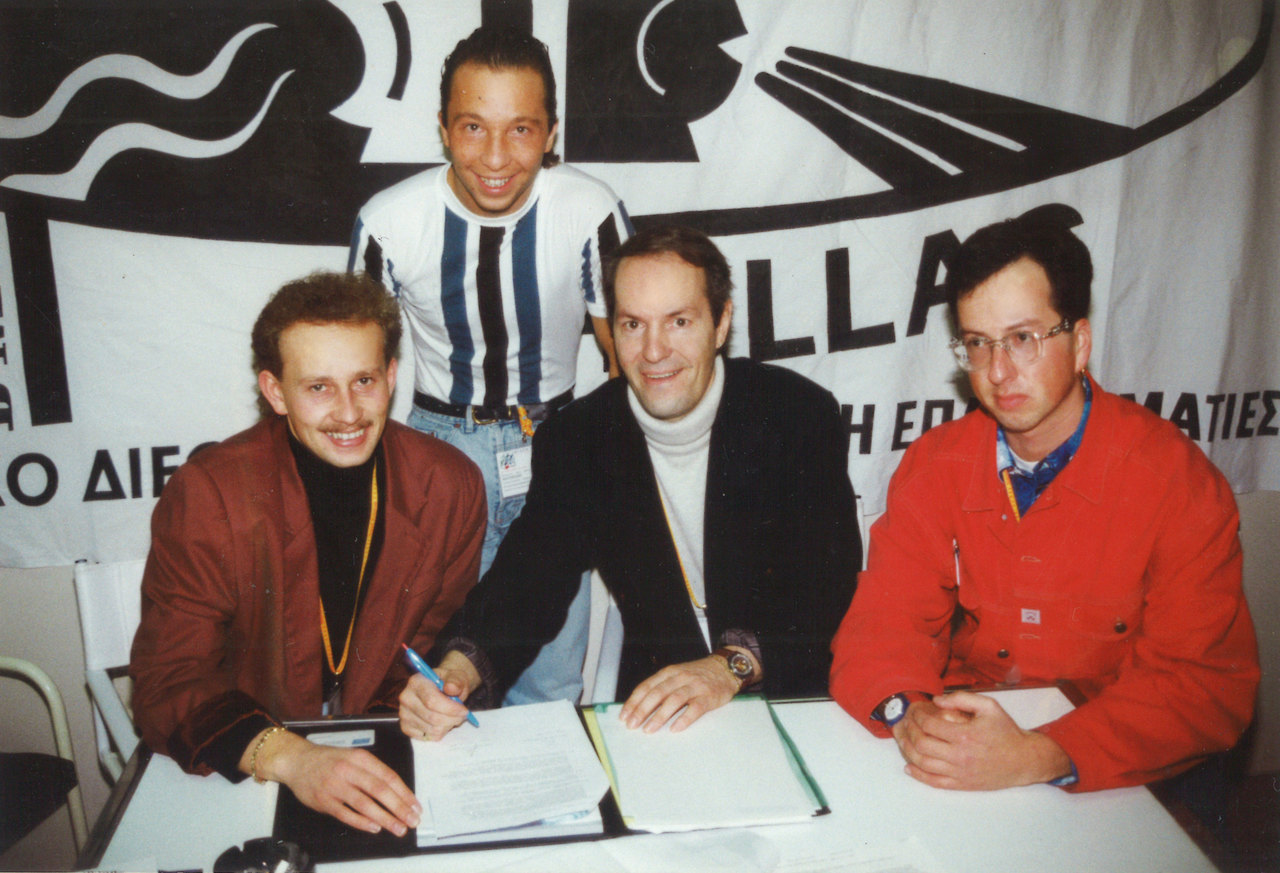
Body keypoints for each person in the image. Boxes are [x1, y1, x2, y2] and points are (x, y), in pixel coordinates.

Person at [829, 212, 1259, 793]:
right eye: (978, 343)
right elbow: (882, 624)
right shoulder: (937, 463)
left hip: (1111, 758)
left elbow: (1202, 686)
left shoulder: (1177, 482)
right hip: (967, 733)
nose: (998, 371)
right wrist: (907, 713)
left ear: (1080, 343)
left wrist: (1043, 755)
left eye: (1022, 339)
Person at [399, 225, 861, 740]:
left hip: (789, 695)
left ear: (721, 322)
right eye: (633, 325)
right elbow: (526, 581)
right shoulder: (580, 437)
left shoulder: (796, 415)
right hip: (660, 708)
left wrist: (729, 666)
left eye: (679, 322)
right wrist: (457, 671)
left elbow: (826, 588)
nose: (654, 351)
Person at [130, 271, 486, 837]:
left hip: (388, 751)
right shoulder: (209, 493)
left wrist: (436, 688)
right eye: (318, 387)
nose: (348, 413)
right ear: (275, 392)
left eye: (364, 380)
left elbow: (437, 638)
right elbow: (169, 680)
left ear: (392, 376)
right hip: (252, 762)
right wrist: (294, 759)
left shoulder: (449, 484)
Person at [349, 25, 632, 706]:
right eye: (474, 127)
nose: (497, 156)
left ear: (551, 132)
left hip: (556, 443)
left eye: (521, 129)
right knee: (437, 681)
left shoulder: (590, 209)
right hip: (439, 452)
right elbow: (355, 367)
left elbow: (626, 360)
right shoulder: (390, 221)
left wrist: (601, 463)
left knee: (550, 681)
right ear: (444, 129)